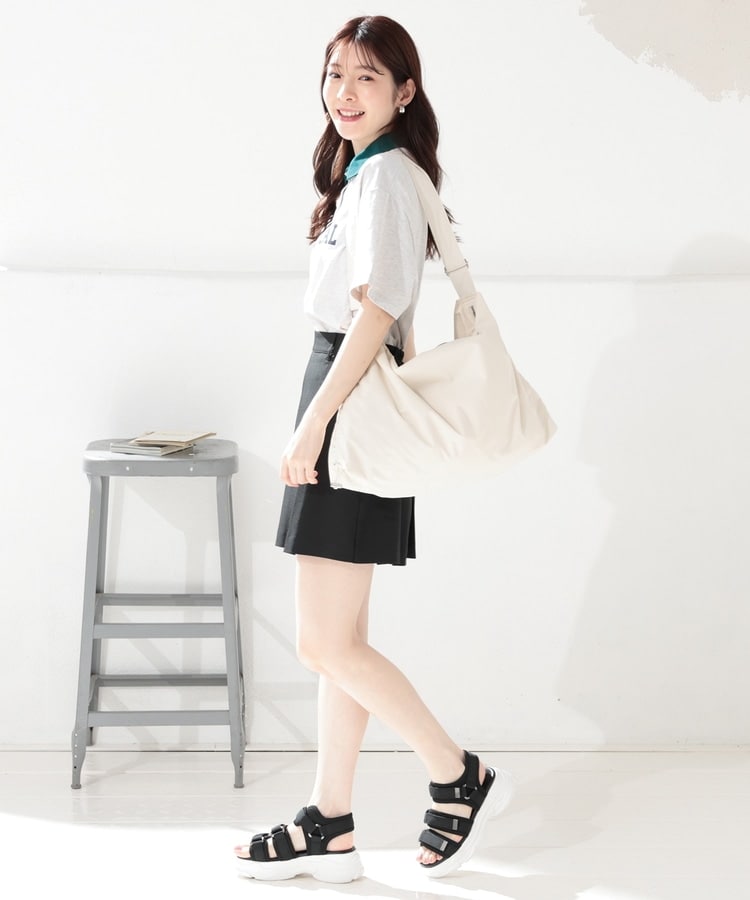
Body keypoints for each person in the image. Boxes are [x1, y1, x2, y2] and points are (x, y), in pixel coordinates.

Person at [235, 14, 512, 883]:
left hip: (348, 398)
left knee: (323, 644)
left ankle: (454, 771)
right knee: (343, 637)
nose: (345, 93)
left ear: (404, 91)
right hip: (351, 394)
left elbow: (380, 310)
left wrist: (314, 421)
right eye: (335, 75)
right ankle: (330, 820)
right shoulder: (365, 173)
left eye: (366, 78)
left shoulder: (387, 175)